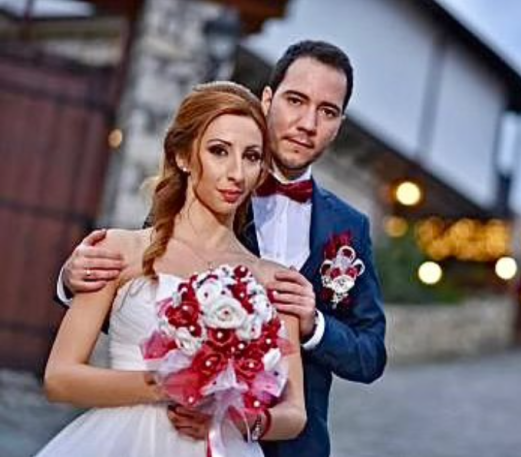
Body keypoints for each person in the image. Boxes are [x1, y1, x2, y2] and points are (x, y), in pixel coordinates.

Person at [58, 40, 387, 456]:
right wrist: (73, 281)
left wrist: (313, 326)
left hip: (292, 444)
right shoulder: (203, 191)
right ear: (267, 99)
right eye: (295, 100)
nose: (308, 123)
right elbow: (143, 303)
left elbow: (371, 355)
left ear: (340, 123)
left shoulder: (350, 228)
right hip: (164, 431)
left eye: (327, 111)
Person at [40, 82, 306, 456]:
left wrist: (236, 418)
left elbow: (295, 413)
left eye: (251, 157)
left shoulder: (273, 279)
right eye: (219, 151)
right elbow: (59, 378)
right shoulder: (117, 250)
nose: (237, 172)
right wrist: (167, 384)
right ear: (182, 156)